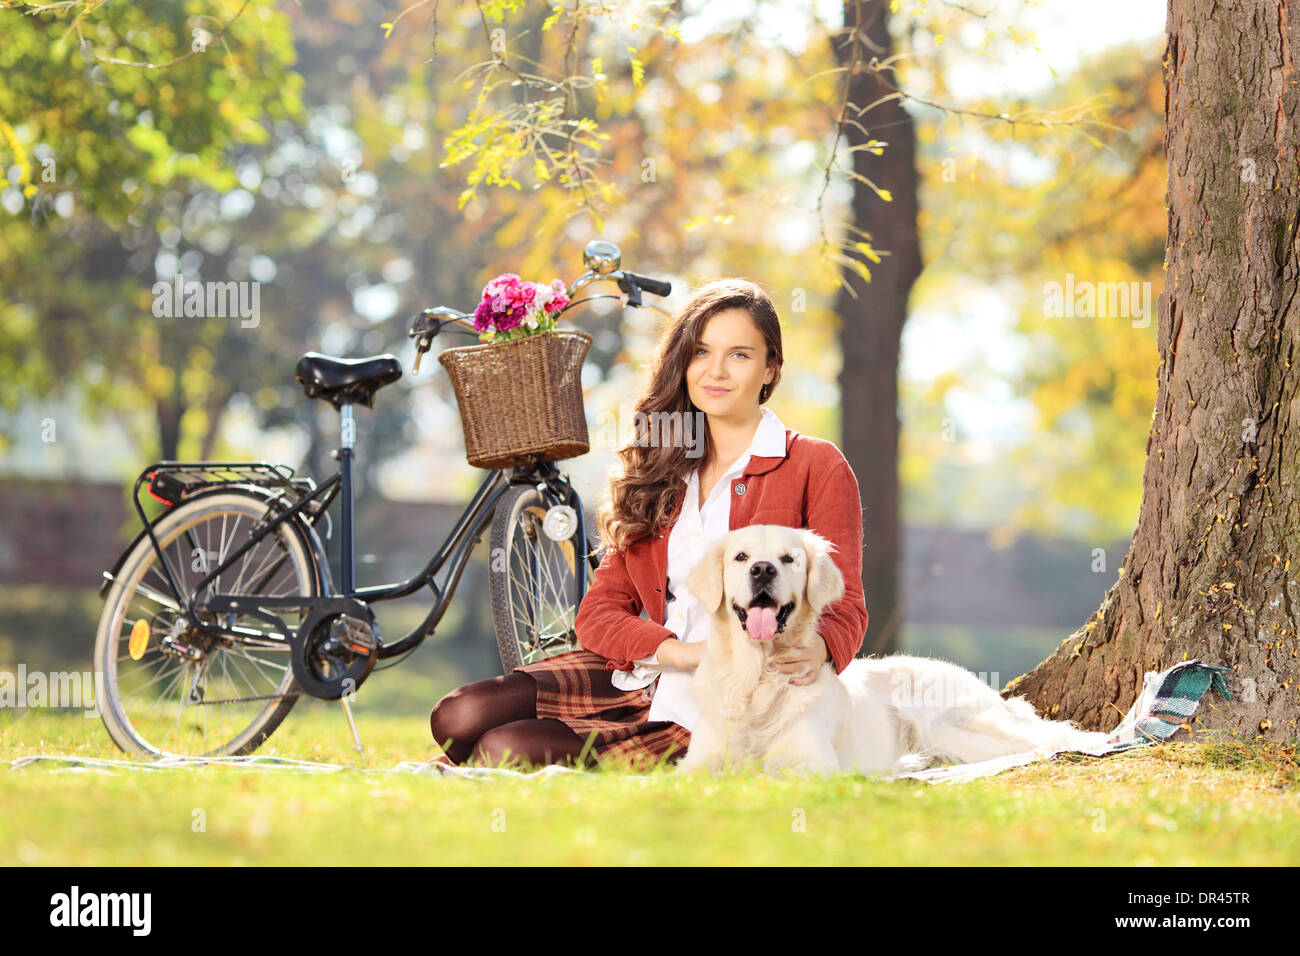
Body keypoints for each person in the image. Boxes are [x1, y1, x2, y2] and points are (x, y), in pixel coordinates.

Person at [429, 278, 870, 770]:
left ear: (771, 368)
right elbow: (597, 615)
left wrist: (822, 648)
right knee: (457, 715)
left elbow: (846, 602)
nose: (716, 371)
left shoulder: (814, 464)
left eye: (740, 355)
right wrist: (676, 652)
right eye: (701, 351)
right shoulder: (661, 468)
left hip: (723, 702)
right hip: (642, 672)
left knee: (502, 750)